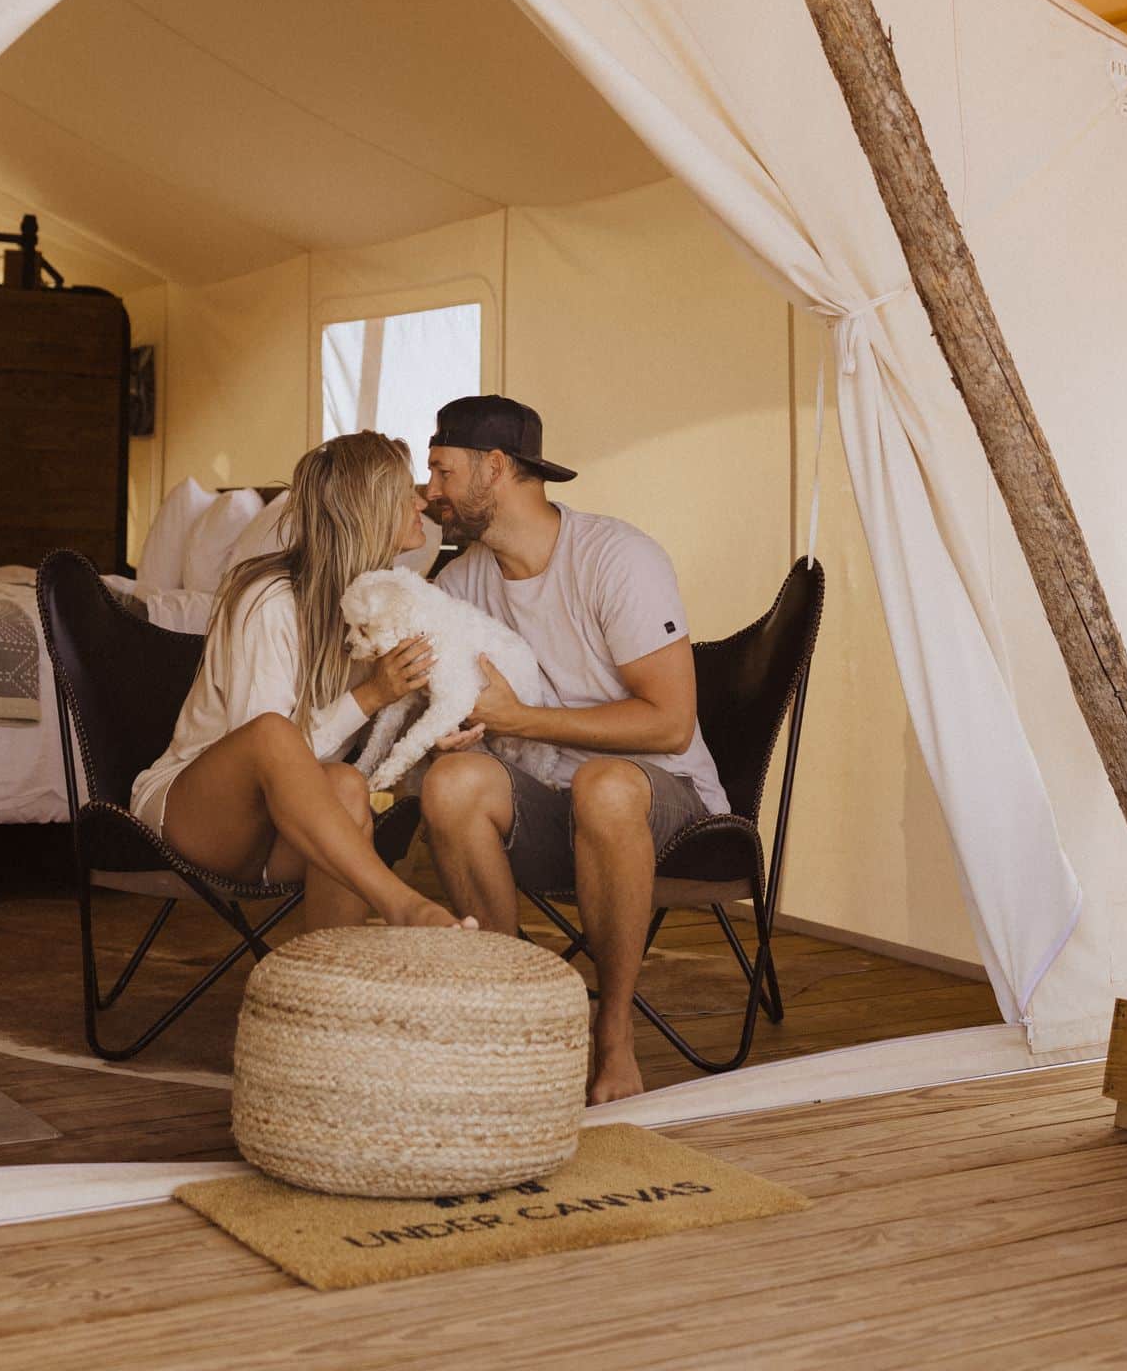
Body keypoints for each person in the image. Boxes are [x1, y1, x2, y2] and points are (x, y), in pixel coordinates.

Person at [419, 395, 726, 1101]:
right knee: (454, 783)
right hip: (550, 808)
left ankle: (612, 1036)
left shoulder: (617, 558)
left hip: (661, 805)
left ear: (494, 469)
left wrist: (519, 719)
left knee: (607, 786)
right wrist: (453, 730)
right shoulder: (460, 581)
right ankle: (519, 1021)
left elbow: (670, 724)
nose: (429, 489)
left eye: (441, 470)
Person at [129, 432, 477, 931]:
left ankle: (331, 989)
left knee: (348, 786)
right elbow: (263, 757)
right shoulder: (268, 599)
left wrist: (429, 735)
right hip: (201, 821)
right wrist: (371, 693)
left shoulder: (381, 604)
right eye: (407, 491)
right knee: (274, 733)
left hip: (294, 834)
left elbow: (363, 738)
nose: (422, 499)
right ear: (371, 508)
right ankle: (400, 904)